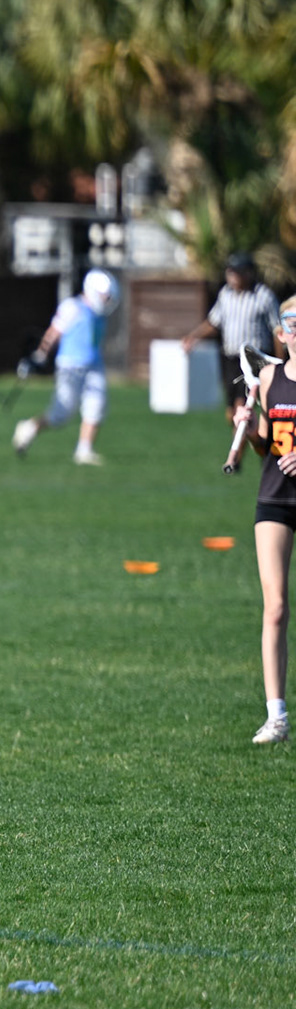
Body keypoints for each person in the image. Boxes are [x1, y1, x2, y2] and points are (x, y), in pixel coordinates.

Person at [230, 298, 296, 745]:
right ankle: (277, 716)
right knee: (275, 607)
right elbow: (266, 446)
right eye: (292, 323)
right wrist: (251, 430)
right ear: (282, 333)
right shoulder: (270, 378)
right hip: (275, 498)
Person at [12, 270, 119, 465]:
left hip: (94, 364)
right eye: (104, 295)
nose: (107, 300)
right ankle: (29, 428)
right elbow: (54, 332)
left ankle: (84, 450)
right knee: (61, 414)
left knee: (96, 405)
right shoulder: (73, 307)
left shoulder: (99, 314)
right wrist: (40, 355)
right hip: (70, 365)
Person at [182, 252, 284, 410]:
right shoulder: (226, 294)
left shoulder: (263, 296)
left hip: (253, 357)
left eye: (237, 272)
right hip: (231, 358)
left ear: (248, 273)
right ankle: (242, 425)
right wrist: (193, 337)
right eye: (231, 272)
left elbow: (277, 330)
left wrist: (280, 363)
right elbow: (214, 323)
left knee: (241, 402)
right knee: (231, 409)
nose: (233, 277)